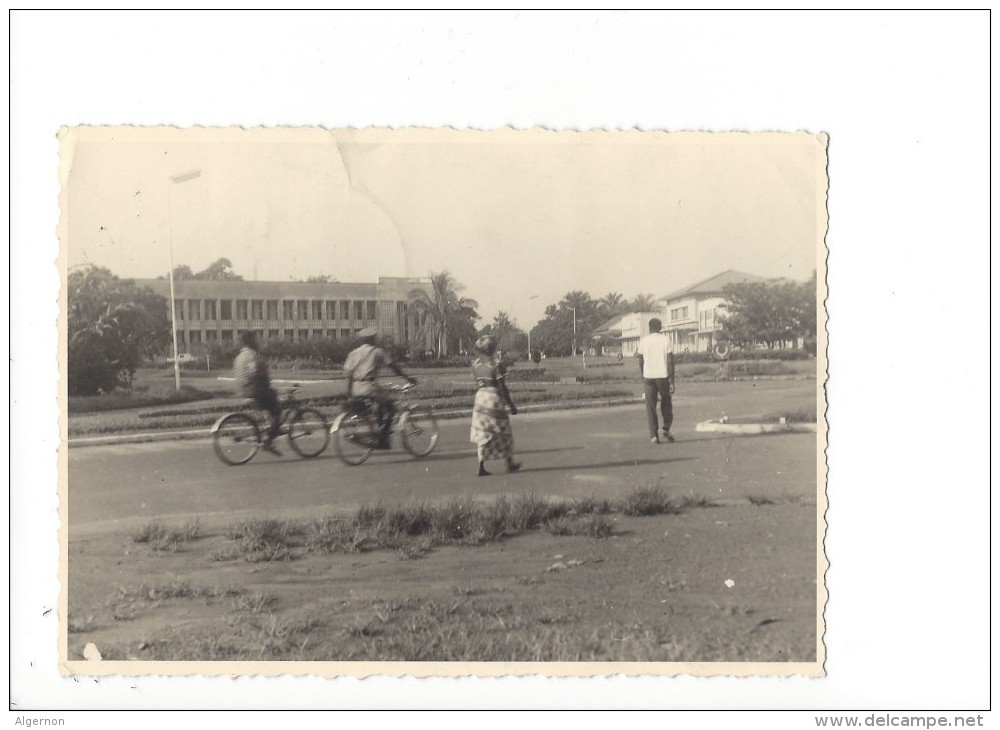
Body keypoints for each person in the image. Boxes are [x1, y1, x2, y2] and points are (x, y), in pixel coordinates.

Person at [342, 327, 416, 450]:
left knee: (380, 407)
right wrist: (408, 378)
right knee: (391, 409)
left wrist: (350, 394)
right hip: (370, 388)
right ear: (373, 340)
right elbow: (393, 366)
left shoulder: (353, 353)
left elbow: (348, 376)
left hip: (356, 388)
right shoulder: (377, 352)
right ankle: (383, 440)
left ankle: (378, 431)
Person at [469, 335, 521, 476]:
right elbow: (502, 386)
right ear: (491, 348)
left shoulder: (475, 364)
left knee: (483, 432)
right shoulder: (496, 363)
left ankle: (481, 466)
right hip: (493, 399)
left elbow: (478, 382)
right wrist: (511, 405)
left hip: (480, 399)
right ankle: (509, 462)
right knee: (504, 431)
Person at [233, 331, 283, 456]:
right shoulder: (252, 355)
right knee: (278, 414)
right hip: (256, 389)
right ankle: (268, 441)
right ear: (251, 341)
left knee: (268, 406)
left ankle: (270, 429)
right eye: (256, 339)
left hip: (245, 390)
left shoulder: (239, 356)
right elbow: (254, 371)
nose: (258, 342)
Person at [636, 317, 676, 444]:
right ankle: (666, 428)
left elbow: (640, 361)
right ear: (660, 328)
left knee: (650, 406)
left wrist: (643, 374)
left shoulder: (644, 341)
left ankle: (653, 435)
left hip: (648, 377)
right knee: (666, 402)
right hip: (663, 376)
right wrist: (672, 380)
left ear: (649, 328)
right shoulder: (666, 340)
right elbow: (670, 361)